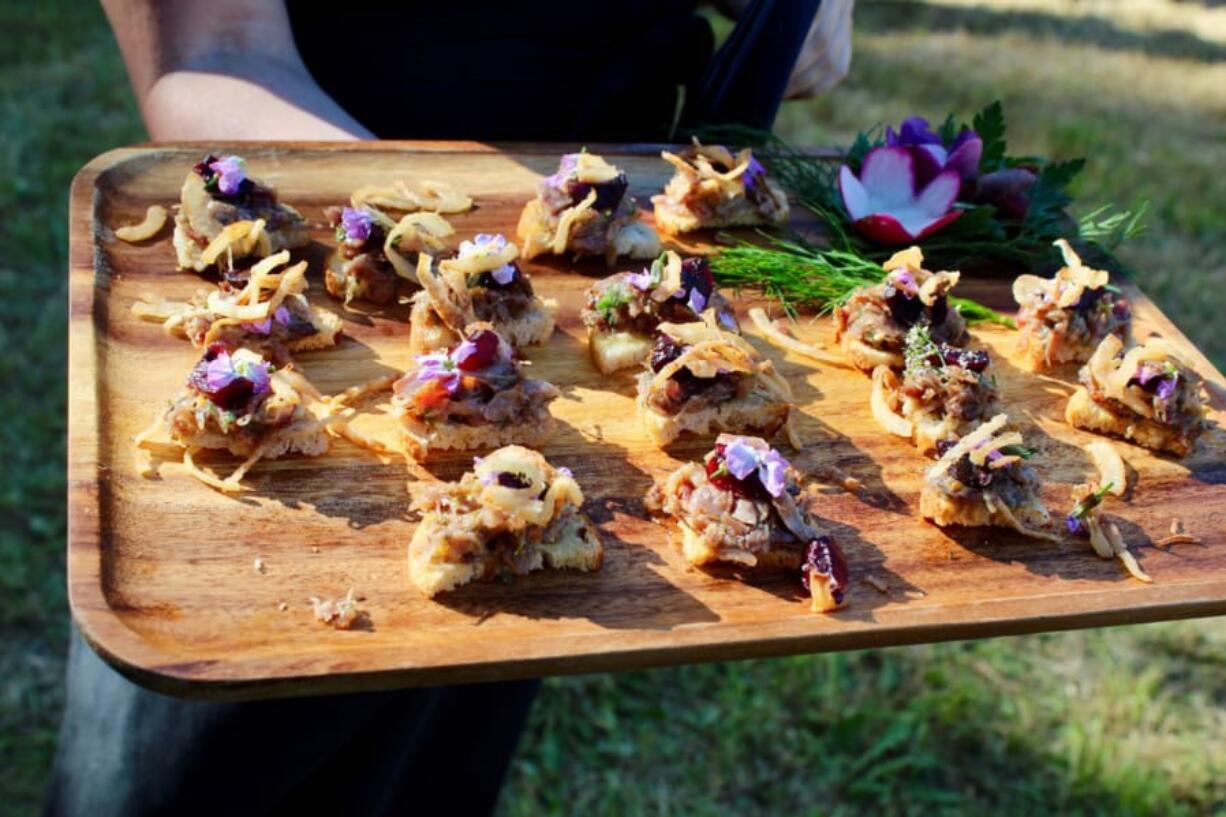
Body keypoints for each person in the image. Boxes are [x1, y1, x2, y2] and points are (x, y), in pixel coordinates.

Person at [46, 2, 854, 815]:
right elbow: (209, 56)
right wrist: (407, 236)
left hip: (625, 162)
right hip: (339, 165)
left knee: (430, 768)